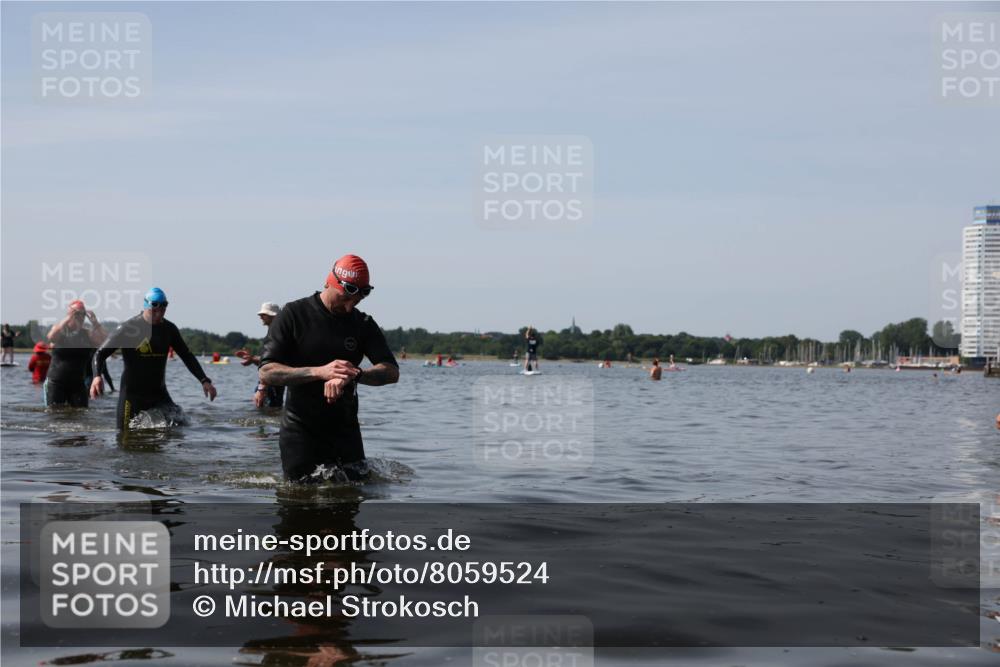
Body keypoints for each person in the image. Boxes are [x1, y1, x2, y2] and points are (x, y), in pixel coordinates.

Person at [258, 254, 399, 482]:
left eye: (360, 297)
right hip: (300, 429)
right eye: (347, 296)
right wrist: (320, 372)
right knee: (298, 505)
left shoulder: (362, 323)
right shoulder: (294, 315)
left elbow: (391, 371)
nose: (351, 304)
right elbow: (267, 371)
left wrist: (354, 374)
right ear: (331, 283)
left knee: (351, 502)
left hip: (346, 431)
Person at [90, 287, 217, 430]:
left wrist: (204, 380)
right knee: (124, 437)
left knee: (179, 426)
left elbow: (186, 355)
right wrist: (97, 376)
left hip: (159, 394)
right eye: (154, 307)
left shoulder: (169, 329)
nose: (159, 312)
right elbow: (99, 354)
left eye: (163, 307)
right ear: (146, 305)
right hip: (132, 396)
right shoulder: (128, 328)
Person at [43, 300, 107, 407]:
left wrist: (95, 323)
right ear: (69, 314)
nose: (80, 317)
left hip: (78, 383)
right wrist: (68, 317)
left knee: (81, 415)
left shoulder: (87, 334)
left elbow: (105, 342)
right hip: (56, 382)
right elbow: (51, 337)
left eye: (83, 314)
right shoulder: (60, 330)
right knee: (55, 416)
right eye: (76, 314)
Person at [234, 302, 285, 408]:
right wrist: (252, 359)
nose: (260, 316)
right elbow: (267, 361)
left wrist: (262, 388)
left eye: (264, 314)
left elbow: (273, 363)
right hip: (269, 383)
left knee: (268, 411)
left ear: (273, 316)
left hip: (271, 384)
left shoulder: (276, 335)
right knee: (271, 412)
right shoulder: (273, 334)